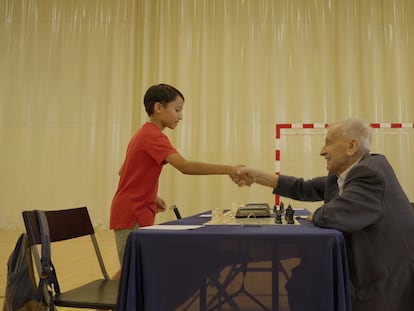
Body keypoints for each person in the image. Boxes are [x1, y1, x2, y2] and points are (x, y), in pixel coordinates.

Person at [233, 118, 414, 311]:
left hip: (383, 279)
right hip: (364, 266)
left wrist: (318, 214)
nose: (322, 151)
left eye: (328, 142)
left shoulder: (369, 173)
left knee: (307, 284)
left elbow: (333, 215)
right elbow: (303, 187)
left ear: (352, 146)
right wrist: (257, 176)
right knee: (301, 281)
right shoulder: (342, 175)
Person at [110, 83, 245, 279]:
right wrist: (230, 169)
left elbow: (124, 171)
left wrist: (151, 195)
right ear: (158, 108)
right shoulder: (153, 136)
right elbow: (185, 166)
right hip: (132, 212)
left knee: (132, 269)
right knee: (133, 272)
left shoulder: (144, 133)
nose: (180, 116)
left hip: (138, 208)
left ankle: (105, 305)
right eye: (177, 109)